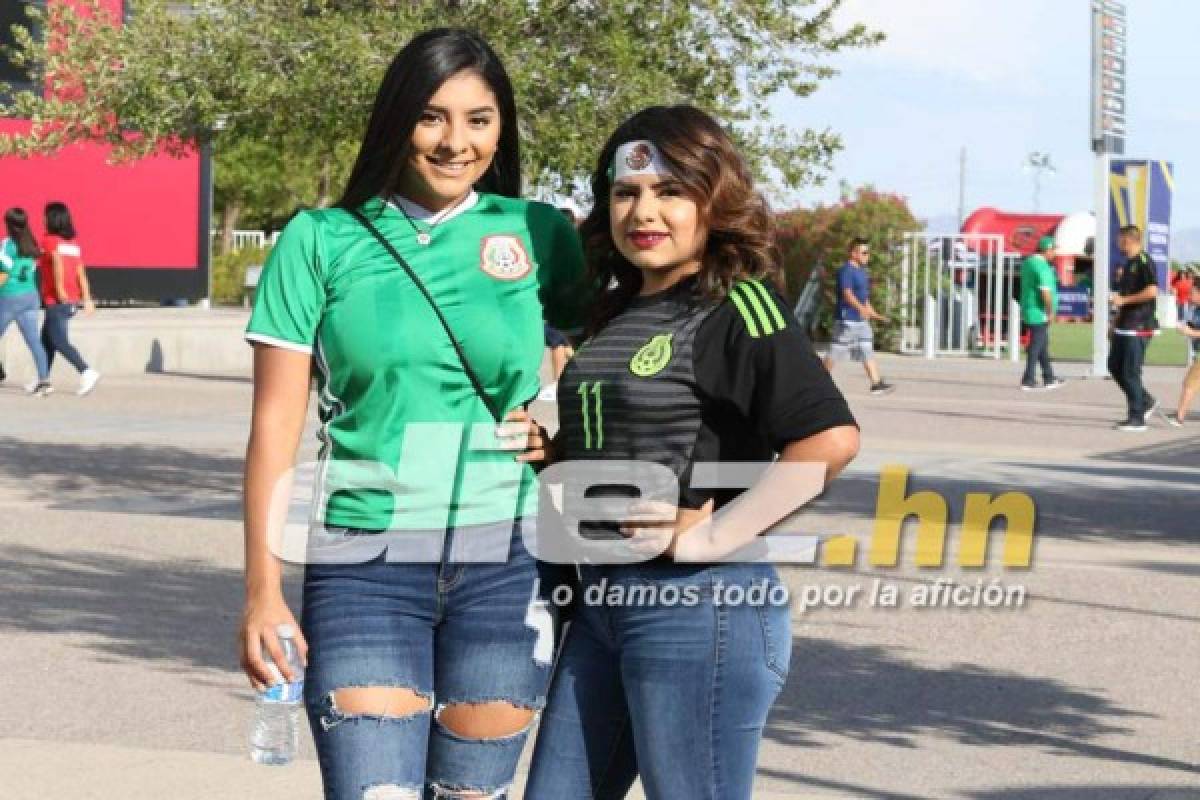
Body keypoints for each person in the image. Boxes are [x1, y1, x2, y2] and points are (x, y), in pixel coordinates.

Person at [238, 29, 585, 800]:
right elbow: (273, 431)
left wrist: (565, 443)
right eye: (432, 117)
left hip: (510, 563)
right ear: (398, 118)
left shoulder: (540, 233)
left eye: (479, 119)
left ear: (503, 127)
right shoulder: (319, 240)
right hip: (365, 563)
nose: (456, 142)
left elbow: (624, 347)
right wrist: (263, 588)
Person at [525, 106, 860, 800]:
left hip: (698, 610)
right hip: (599, 606)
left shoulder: (739, 305)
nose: (644, 211)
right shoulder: (613, 311)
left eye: (670, 190)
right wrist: (550, 455)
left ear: (715, 199)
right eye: (626, 193)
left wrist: (712, 534)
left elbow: (830, 438)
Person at [38, 202, 100, 396]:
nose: (42, 219)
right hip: (70, 299)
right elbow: (81, 272)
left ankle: (86, 371)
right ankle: (43, 380)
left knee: (58, 340)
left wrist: (59, 290)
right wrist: (87, 298)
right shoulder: (72, 245)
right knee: (46, 341)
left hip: (56, 300)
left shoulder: (50, 241)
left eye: (45, 216)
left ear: (52, 219)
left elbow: (56, 262)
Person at [824, 237, 895, 394]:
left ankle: (876, 384)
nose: (867, 255)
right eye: (864, 252)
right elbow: (847, 294)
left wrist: (873, 313)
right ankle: (817, 382)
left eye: (868, 253)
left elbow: (863, 297)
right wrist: (860, 308)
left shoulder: (861, 271)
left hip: (861, 320)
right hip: (847, 319)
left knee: (866, 349)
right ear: (853, 253)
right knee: (836, 352)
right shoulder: (846, 271)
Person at [1109, 224, 1160, 432]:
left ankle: (1137, 418)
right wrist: (1114, 322)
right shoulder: (1128, 264)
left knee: (1130, 371)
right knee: (1114, 366)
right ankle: (1145, 400)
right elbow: (1122, 298)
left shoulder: (1144, 261)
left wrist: (1125, 300)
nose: (1117, 243)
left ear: (1128, 240)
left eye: (1119, 239)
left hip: (1139, 324)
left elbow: (1152, 291)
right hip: (1124, 324)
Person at [0, 208, 52, 396]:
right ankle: (45, 381)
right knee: (34, 341)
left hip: (9, 296)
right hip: (30, 296)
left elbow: (4, 274)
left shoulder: (6, 245)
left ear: (9, 224)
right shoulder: (32, 243)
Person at [1018, 235, 1065, 391]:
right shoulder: (1042, 266)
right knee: (1037, 345)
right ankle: (1028, 379)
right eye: (1053, 250)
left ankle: (1049, 377)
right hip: (1039, 311)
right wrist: (1050, 311)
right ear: (1047, 250)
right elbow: (1045, 292)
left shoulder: (1028, 263)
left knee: (1042, 344)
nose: (1055, 254)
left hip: (1028, 307)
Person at [1165, 281, 1200, 427]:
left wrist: (1189, 332)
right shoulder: (1196, 309)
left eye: (1193, 293)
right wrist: (1186, 328)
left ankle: (1179, 417)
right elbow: (1194, 326)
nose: (1189, 296)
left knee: (1189, 384)